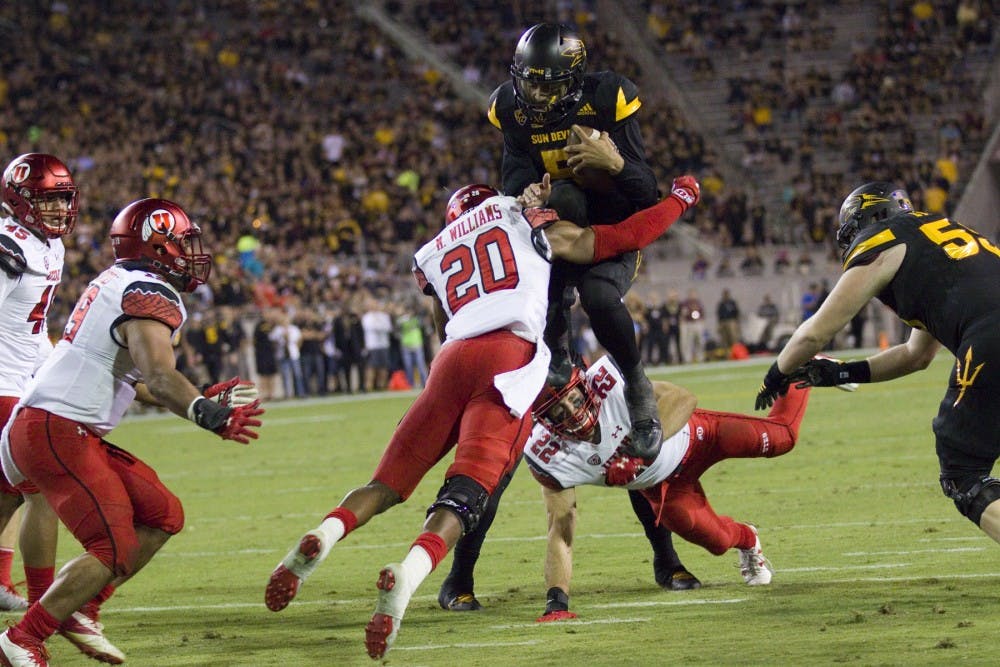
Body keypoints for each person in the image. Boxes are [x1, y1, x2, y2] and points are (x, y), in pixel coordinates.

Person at [263, 180, 699, 660]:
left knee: (386, 483)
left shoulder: (434, 250)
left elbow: (440, 325)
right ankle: (406, 577)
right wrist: (678, 200)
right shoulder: (526, 219)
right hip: (509, 358)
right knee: (467, 496)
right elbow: (621, 238)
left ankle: (324, 534)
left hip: (451, 360)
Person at [438, 21, 698, 611]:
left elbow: (642, 198)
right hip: (543, 296)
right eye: (527, 81)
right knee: (495, 462)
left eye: (545, 83)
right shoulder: (511, 117)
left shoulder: (608, 98)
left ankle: (636, 394)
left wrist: (615, 163)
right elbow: (513, 179)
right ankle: (460, 577)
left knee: (607, 326)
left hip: (605, 235)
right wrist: (526, 196)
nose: (532, 94)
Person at [0, 197, 265, 667]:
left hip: (55, 425)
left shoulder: (120, 282)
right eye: (182, 242)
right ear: (157, 244)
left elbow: (133, 380)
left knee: (164, 514)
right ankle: (24, 637)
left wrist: (200, 393)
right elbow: (160, 378)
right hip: (54, 429)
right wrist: (208, 414)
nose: (190, 253)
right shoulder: (146, 291)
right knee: (113, 545)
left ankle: (82, 606)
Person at [754, 181, 1000, 549]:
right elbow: (916, 355)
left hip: (991, 335)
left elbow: (814, 334)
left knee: (964, 473)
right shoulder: (938, 236)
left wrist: (777, 373)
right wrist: (841, 371)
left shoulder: (883, 240)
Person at [525, 354, 816, 620]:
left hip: (699, 436)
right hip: (664, 488)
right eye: (559, 412)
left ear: (584, 387)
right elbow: (560, 531)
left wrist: (639, 454)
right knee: (718, 542)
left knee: (783, 438)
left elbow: (683, 398)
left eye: (574, 400)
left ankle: (803, 363)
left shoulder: (609, 382)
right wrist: (556, 603)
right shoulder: (548, 455)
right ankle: (749, 540)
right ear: (546, 423)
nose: (573, 413)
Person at [0, 154, 77, 619]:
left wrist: (54, 367)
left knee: (8, 491)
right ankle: (42, 606)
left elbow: (33, 325)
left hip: (24, 379)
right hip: (1, 382)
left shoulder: (51, 247)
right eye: (47, 200)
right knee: (41, 488)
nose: (59, 209)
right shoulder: (7, 245)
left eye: (63, 198)